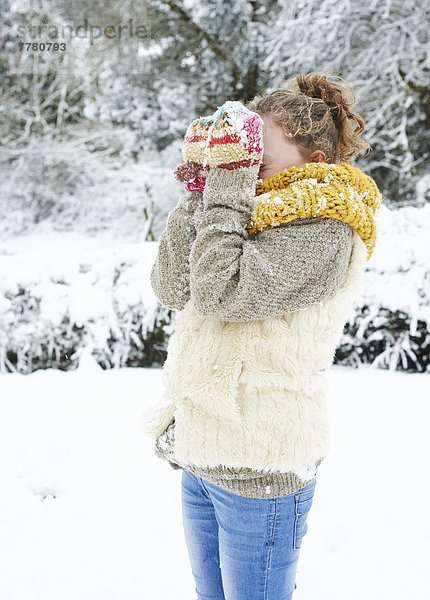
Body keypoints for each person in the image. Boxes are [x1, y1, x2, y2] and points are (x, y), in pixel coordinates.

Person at [140, 72, 382, 600]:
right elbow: (172, 285)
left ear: (314, 161)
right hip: (203, 453)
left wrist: (225, 193)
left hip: (262, 466)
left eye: (256, 159)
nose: (242, 169)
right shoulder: (241, 213)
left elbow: (219, 294)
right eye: (238, 157)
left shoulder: (327, 230)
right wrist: (202, 192)